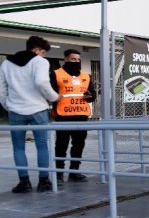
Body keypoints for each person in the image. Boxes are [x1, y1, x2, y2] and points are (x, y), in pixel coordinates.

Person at [0, 36, 60, 193]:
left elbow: (1, 89)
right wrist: (54, 97)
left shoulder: (6, 63)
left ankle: (24, 182)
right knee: (42, 146)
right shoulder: (39, 62)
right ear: (36, 49)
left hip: (15, 111)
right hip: (38, 110)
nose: (43, 55)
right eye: (43, 52)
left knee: (18, 147)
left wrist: (8, 105)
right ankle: (43, 181)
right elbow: (41, 82)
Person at [50, 49, 96, 184]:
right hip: (63, 115)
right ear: (66, 59)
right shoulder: (56, 74)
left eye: (77, 60)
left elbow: (93, 94)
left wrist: (90, 97)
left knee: (79, 145)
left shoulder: (86, 76)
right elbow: (51, 93)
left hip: (81, 115)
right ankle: (59, 174)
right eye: (73, 59)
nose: (76, 62)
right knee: (61, 145)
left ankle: (74, 171)